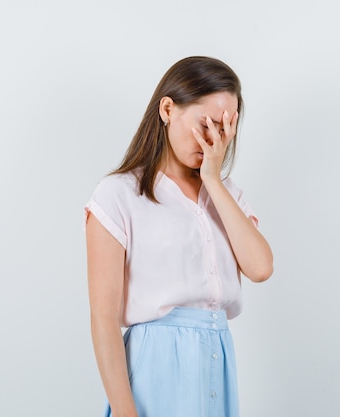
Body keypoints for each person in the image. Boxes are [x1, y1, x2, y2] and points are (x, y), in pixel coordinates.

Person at [84, 56, 273, 417]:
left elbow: (261, 268)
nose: (214, 141)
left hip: (217, 357)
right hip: (155, 363)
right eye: (207, 124)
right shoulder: (118, 194)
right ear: (168, 109)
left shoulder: (227, 194)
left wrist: (213, 181)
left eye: (225, 129)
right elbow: (103, 318)